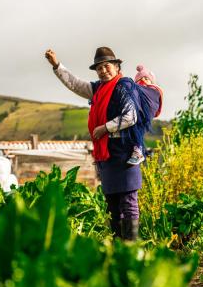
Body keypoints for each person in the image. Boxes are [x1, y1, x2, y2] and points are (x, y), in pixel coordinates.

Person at [45, 46, 158, 241]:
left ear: (116, 66)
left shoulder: (124, 86)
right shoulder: (98, 88)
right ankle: (117, 246)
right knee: (112, 202)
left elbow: (130, 117)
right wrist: (57, 65)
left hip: (125, 151)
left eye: (106, 66)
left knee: (128, 201)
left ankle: (130, 246)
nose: (103, 71)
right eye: (99, 68)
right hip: (107, 153)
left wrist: (104, 128)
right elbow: (75, 84)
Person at [126, 65, 163, 165]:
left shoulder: (153, 90)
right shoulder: (137, 91)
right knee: (136, 133)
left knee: (137, 132)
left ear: (152, 81)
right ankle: (140, 151)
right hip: (139, 114)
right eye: (140, 79)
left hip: (144, 115)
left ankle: (139, 152)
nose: (143, 81)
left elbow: (153, 101)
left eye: (146, 78)